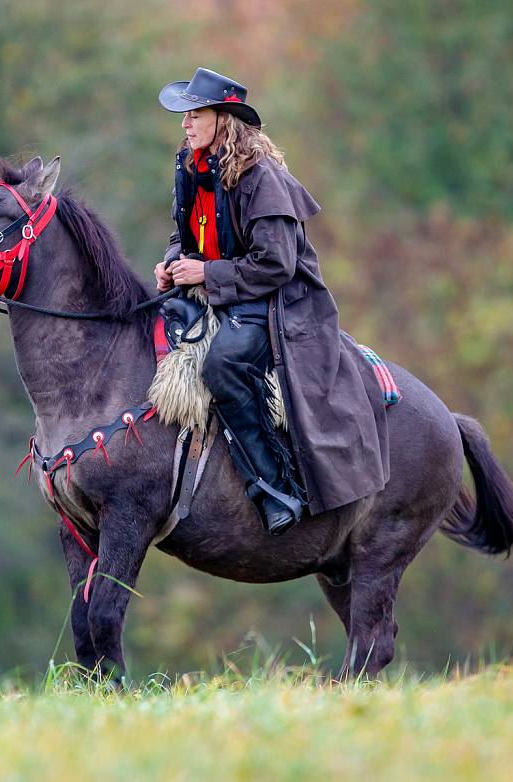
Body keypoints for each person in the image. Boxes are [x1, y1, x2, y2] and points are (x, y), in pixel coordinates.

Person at [156, 67, 390, 536]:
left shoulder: (261, 178)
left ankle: (275, 488)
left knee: (221, 366)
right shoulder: (190, 166)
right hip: (220, 291)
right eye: (184, 116)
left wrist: (206, 272)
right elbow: (183, 235)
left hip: (277, 302)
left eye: (194, 115)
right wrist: (171, 263)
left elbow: (276, 265)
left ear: (223, 120)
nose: (184, 124)